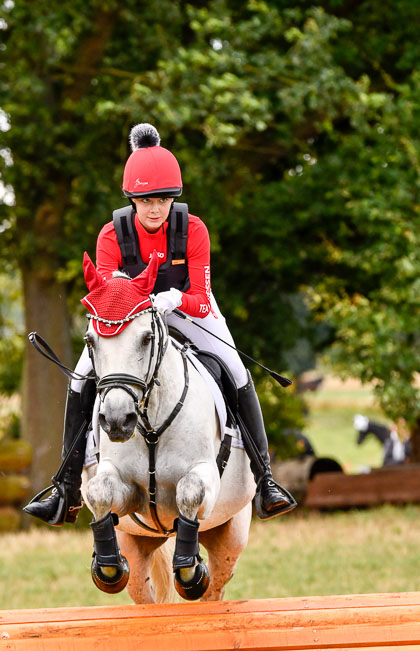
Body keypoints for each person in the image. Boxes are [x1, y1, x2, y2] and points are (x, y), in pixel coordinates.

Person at [25, 123, 297, 525]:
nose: (155, 209)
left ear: (174, 198)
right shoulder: (111, 235)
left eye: (164, 200)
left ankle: (266, 479)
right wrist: (138, 305)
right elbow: (107, 294)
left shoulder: (193, 230)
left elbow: (202, 299)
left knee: (237, 372)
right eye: (146, 200)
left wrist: (171, 300)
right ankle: (65, 487)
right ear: (132, 199)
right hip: (130, 322)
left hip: (190, 313)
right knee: (80, 379)